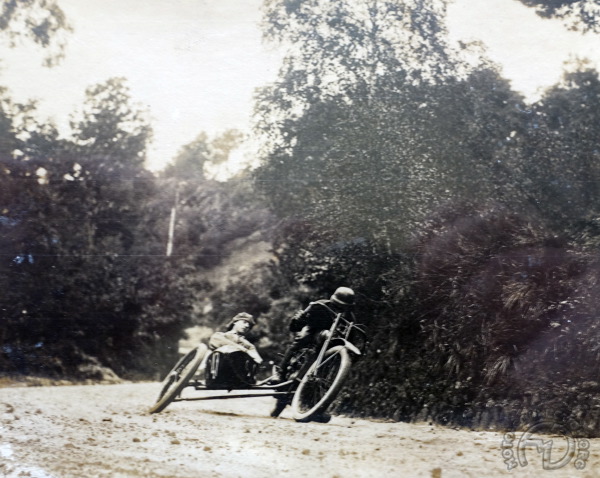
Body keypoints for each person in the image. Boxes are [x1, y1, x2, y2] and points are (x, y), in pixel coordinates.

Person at [270, 286, 355, 384]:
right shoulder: (320, 305)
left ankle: (322, 382)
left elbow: (349, 339)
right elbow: (297, 324)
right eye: (336, 306)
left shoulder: (350, 319)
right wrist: (298, 319)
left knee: (332, 358)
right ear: (332, 301)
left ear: (348, 307)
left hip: (330, 340)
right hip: (313, 330)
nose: (339, 310)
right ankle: (280, 372)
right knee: (302, 338)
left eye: (343, 307)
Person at [206, 312, 263, 388]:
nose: (247, 326)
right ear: (235, 322)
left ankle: (243, 380)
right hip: (218, 377)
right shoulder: (220, 335)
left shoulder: (248, 345)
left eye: (249, 325)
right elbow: (215, 342)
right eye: (244, 322)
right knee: (225, 350)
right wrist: (243, 350)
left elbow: (258, 360)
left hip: (240, 379)